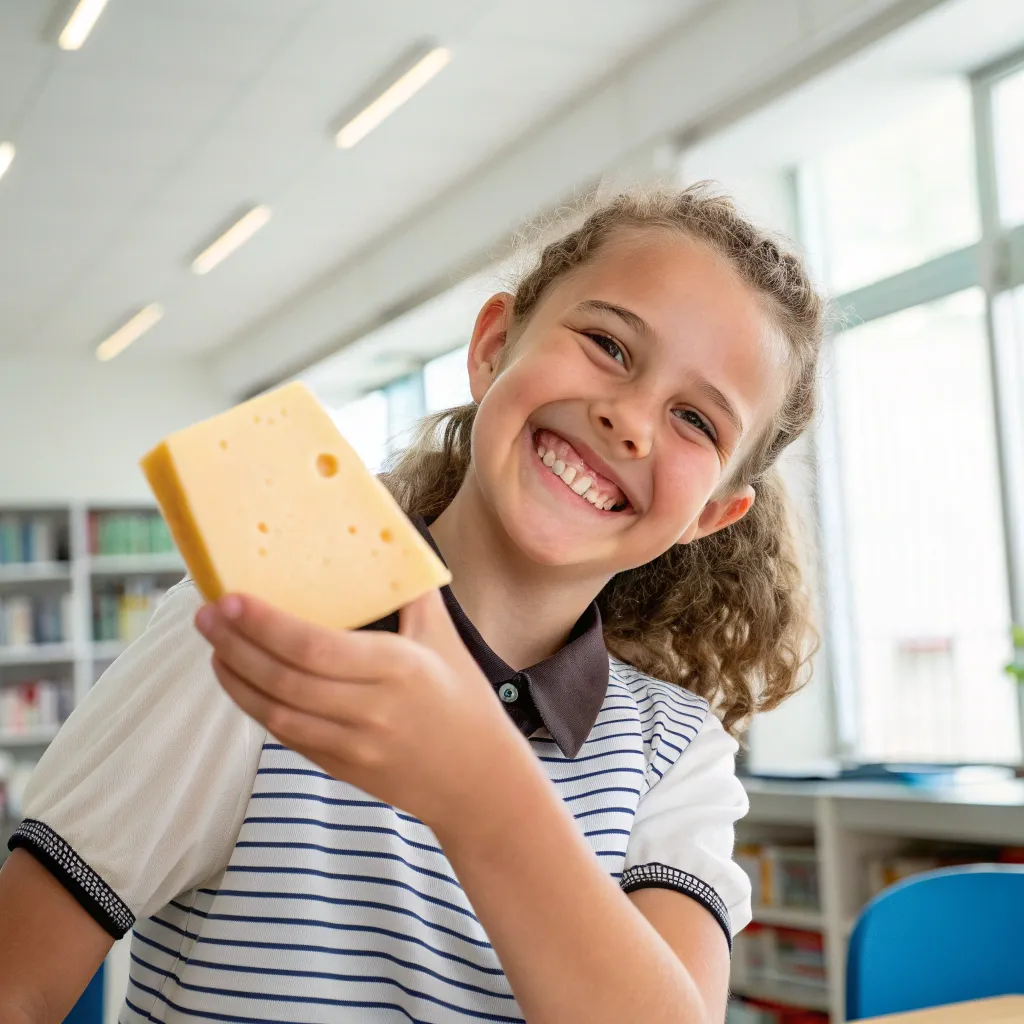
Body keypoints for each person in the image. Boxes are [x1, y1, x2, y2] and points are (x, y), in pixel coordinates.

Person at [0, 184, 824, 1024]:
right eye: (608, 344)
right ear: (494, 346)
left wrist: (481, 788)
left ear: (712, 515)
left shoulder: (675, 753)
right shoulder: (261, 634)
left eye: (695, 419)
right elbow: (17, 987)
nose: (631, 420)